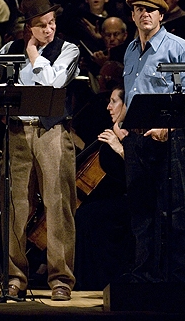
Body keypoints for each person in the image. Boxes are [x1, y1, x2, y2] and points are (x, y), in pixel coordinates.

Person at [0, 0, 79, 301]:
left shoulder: (68, 49)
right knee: (15, 208)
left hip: (51, 132)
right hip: (17, 132)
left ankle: (60, 279)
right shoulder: (8, 49)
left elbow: (52, 86)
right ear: (28, 26)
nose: (49, 30)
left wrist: (33, 56)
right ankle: (15, 277)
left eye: (52, 23)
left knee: (58, 206)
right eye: (41, 25)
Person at [120, 0, 185, 284]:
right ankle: (144, 275)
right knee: (141, 212)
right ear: (132, 15)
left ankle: (178, 278)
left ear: (161, 15)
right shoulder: (130, 49)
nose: (145, 14)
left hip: (166, 140)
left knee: (174, 211)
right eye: (139, 9)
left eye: (151, 10)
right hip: (136, 139)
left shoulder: (179, 48)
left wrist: (168, 128)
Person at [74, 84, 134, 290]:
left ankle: (96, 279)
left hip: (134, 199)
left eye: (114, 102)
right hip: (115, 198)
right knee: (84, 213)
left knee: (87, 216)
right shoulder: (114, 129)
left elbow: (140, 171)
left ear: (126, 105)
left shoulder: (135, 132)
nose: (108, 107)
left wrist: (119, 146)